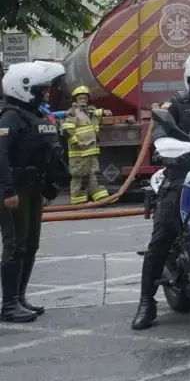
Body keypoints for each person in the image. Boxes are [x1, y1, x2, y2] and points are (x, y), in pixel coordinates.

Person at [131, 48, 190, 330]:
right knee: (162, 235)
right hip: (182, 176)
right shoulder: (176, 106)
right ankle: (146, 303)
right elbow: (161, 134)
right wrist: (168, 148)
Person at [0, 61, 68, 322]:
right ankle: (8, 305)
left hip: (33, 189)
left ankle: (19, 297)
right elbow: (2, 157)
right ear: (23, 88)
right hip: (14, 189)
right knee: (15, 245)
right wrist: (8, 191)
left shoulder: (36, 117)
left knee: (30, 245)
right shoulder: (10, 118)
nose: (45, 94)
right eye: (41, 90)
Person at [61, 86, 109, 204]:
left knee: (93, 173)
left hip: (91, 151)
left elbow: (95, 112)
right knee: (79, 176)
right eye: (80, 98)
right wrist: (76, 143)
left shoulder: (89, 111)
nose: (83, 100)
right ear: (75, 100)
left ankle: (99, 197)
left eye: (85, 98)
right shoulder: (73, 113)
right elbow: (67, 129)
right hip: (79, 152)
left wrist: (104, 112)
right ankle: (78, 200)